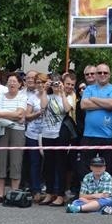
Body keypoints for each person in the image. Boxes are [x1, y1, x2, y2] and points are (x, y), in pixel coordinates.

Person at [0, 72, 27, 203]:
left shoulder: (23, 97)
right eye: (10, 81)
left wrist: (2, 114)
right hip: (1, 130)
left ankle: (14, 193)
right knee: (0, 159)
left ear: (19, 84)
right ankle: (0, 194)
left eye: (14, 81)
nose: (12, 83)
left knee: (16, 161)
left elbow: (20, 114)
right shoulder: (1, 95)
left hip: (17, 130)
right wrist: (11, 115)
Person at [80, 63, 112, 176]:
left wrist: (93, 99)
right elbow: (83, 105)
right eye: (99, 72)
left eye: (105, 72)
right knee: (86, 168)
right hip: (89, 135)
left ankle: (107, 193)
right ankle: (87, 192)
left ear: (110, 75)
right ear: (96, 75)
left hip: (108, 135)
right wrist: (105, 103)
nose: (102, 74)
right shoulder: (89, 88)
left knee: (108, 168)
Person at [39, 74, 72, 207]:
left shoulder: (67, 96)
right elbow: (42, 106)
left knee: (60, 165)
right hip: (47, 134)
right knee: (48, 165)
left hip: (60, 134)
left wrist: (62, 92)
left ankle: (60, 194)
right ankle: (49, 192)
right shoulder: (48, 96)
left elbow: (67, 109)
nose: (56, 86)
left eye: (58, 83)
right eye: (53, 83)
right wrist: (45, 90)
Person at [23, 71, 45, 202]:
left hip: (48, 134)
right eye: (38, 82)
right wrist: (37, 114)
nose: (40, 84)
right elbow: (27, 115)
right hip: (32, 134)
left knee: (48, 163)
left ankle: (49, 190)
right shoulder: (32, 97)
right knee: (34, 162)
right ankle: (35, 189)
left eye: (42, 82)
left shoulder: (50, 95)